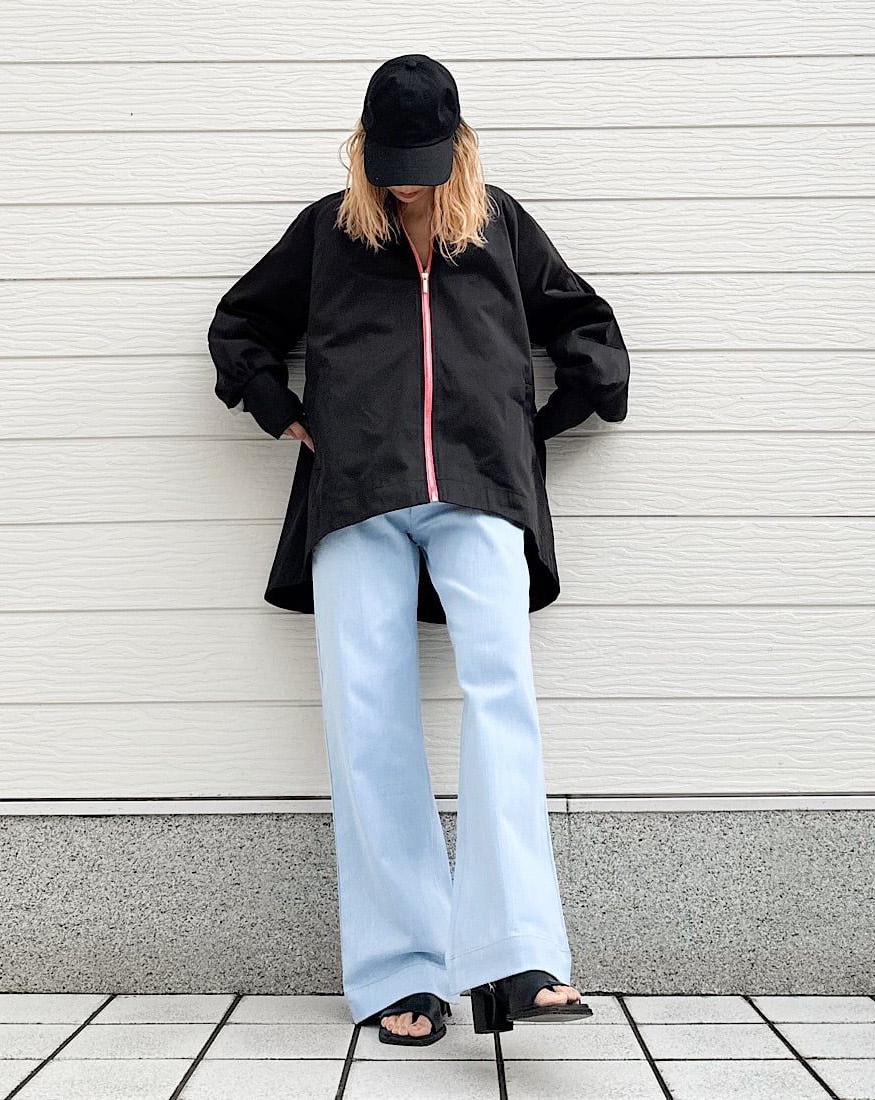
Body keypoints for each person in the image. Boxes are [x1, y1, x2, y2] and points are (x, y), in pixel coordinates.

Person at [207, 54, 630, 1046]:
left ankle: (520, 956)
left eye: (422, 165)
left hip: (478, 489)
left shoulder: (499, 228)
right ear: (363, 151)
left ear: (458, 148)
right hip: (359, 493)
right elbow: (239, 325)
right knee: (369, 722)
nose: (405, 184)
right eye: (390, 165)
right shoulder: (327, 232)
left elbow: (587, 328)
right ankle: (403, 968)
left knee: (501, 698)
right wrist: (278, 407)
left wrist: (537, 426)